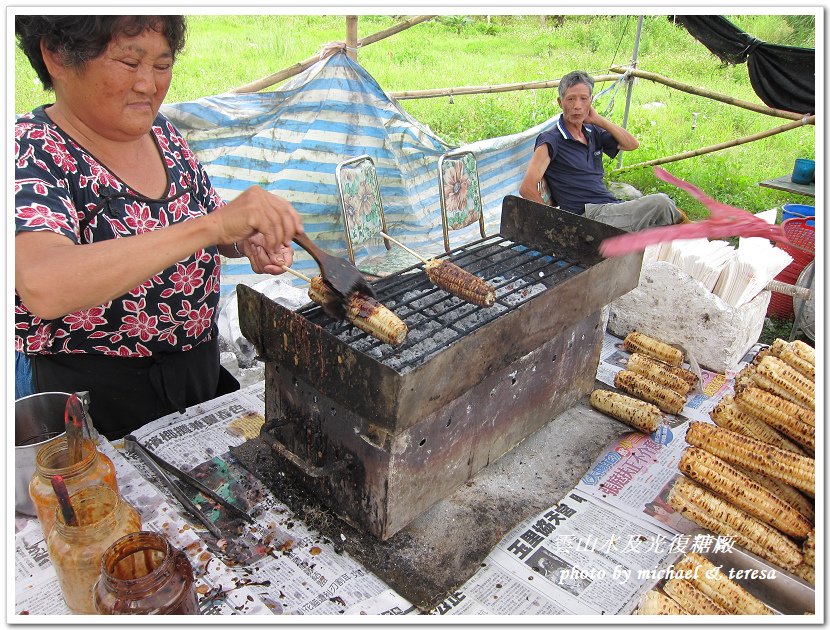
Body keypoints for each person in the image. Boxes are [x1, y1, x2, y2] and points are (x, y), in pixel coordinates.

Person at [15, 16, 303, 439]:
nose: (148, 85)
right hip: (96, 397)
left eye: (162, 66)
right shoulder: (30, 150)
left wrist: (245, 240)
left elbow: (210, 224)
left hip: (193, 372)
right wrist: (212, 226)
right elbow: (44, 285)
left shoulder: (161, 134)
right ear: (57, 56)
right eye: (130, 63)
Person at [519, 70, 686, 231]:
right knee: (661, 203)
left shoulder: (593, 132)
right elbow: (527, 188)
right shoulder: (551, 140)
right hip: (587, 217)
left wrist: (599, 120)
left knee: (659, 221)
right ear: (560, 102)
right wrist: (558, 224)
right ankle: (694, 229)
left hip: (610, 208)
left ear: (591, 101)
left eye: (583, 99)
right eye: (570, 99)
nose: (577, 106)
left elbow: (632, 144)